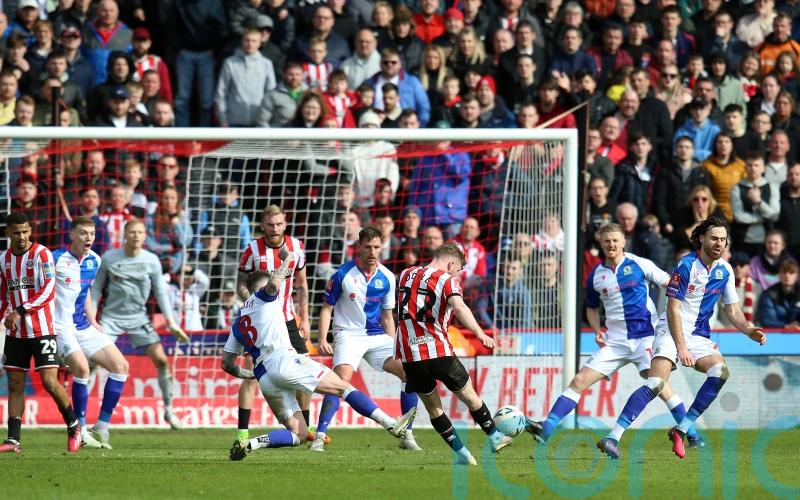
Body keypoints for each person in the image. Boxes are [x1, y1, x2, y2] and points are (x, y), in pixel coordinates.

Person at [597, 217, 765, 460]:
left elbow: (732, 310)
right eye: (714, 238)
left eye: (723, 239)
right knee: (655, 383)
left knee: (720, 372)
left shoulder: (725, 270)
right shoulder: (686, 266)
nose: (719, 243)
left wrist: (749, 330)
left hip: (698, 335)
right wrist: (681, 347)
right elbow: (672, 308)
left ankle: (682, 428)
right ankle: (613, 437)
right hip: (671, 330)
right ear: (701, 239)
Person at [223, 261, 416, 461]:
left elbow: (227, 364)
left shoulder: (238, 323)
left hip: (265, 379)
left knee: (300, 434)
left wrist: (250, 374)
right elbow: (273, 285)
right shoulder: (265, 297)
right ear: (262, 288)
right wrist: (286, 258)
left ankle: (251, 444)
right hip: (284, 361)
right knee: (343, 387)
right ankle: (391, 424)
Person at [527, 224, 701, 445]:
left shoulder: (639, 263)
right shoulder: (596, 276)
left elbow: (669, 283)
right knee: (579, 380)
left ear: (623, 242)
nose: (611, 244)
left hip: (646, 338)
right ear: (601, 243)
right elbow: (591, 308)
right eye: (607, 241)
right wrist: (598, 331)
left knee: (660, 386)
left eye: (615, 240)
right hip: (615, 342)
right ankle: (547, 427)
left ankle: (692, 434)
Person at [396, 243, 511, 465]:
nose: (457, 273)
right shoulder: (446, 280)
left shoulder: (404, 275)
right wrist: (479, 334)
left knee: (434, 408)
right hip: (438, 351)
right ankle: (495, 437)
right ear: (451, 263)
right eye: (457, 269)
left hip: (410, 355)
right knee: (470, 396)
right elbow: (460, 307)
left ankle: (463, 455)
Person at [310, 228, 420, 451]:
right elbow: (326, 308)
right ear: (359, 247)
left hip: (376, 335)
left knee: (410, 371)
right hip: (348, 334)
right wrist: (323, 337)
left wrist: (394, 344)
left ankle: (407, 434)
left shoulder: (388, 277)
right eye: (368, 247)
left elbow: (387, 316)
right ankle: (320, 436)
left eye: (377, 247)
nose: (372, 252)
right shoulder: (342, 274)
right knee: (340, 381)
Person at [89, 219, 189, 429]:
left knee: (162, 361)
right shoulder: (109, 258)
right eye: (132, 232)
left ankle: (169, 411)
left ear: (145, 236)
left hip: (139, 318)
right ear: (125, 234)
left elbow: (161, 291)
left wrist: (171, 322)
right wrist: (92, 318)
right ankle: (79, 416)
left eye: (140, 232)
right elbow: (96, 288)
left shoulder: (151, 260)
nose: (136, 236)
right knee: (92, 363)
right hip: (111, 318)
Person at [0, 212, 81, 454]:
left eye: (25, 231)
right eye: (17, 232)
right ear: (8, 234)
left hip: (42, 330)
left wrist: (20, 311)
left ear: (30, 231)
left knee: (49, 381)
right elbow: (3, 295)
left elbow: (48, 290)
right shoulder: (3, 260)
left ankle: (73, 424)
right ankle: (13, 440)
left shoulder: (41, 254)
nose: (22, 236)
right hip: (16, 333)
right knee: (15, 384)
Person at [235, 205, 311, 441]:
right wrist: (256, 308)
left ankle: (306, 430)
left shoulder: (297, 247)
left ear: (285, 224)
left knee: (305, 375)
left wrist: (305, 318)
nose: (274, 229)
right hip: (262, 324)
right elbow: (240, 285)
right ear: (262, 225)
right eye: (270, 224)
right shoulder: (252, 250)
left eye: (279, 224)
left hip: (288, 319)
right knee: (252, 374)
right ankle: (242, 432)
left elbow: (302, 285)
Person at [53, 217, 129, 449]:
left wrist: (93, 319)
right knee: (82, 369)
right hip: (60, 326)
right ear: (72, 235)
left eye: (92, 233)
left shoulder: (95, 261)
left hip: (83, 325)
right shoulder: (54, 259)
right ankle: (81, 431)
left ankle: (102, 427)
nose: (89, 238)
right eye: (83, 233)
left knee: (121, 366)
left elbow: (85, 292)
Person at [757, 260, 800, 329]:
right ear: (779, 274)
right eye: (784, 272)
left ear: (797, 276)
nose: (787, 275)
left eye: (791, 272)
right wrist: (786, 327)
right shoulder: (768, 295)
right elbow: (767, 321)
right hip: (776, 335)